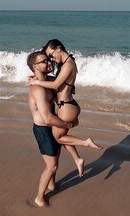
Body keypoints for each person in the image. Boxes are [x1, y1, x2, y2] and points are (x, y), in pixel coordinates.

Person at [28, 39, 101, 177]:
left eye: (51, 54)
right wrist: (38, 77)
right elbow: (57, 82)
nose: (51, 58)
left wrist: (37, 81)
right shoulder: (65, 63)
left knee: (58, 138)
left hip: (67, 107)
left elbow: (56, 84)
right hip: (68, 105)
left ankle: (86, 143)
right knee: (62, 136)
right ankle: (77, 159)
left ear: (59, 48)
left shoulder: (68, 64)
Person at [27, 50, 77, 207]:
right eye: (44, 61)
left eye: (48, 60)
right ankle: (39, 197)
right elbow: (47, 118)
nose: (49, 63)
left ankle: (51, 186)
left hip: (52, 127)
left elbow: (62, 83)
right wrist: (68, 125)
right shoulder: (38, 89)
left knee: (56, 157)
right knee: (52, 165)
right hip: (43, 129)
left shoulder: (46, 81)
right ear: (35, 66)